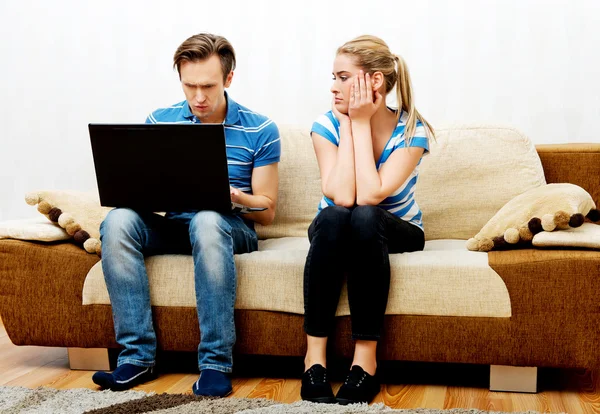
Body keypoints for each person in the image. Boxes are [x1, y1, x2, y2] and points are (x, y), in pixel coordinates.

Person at [92, 33, 281, 397]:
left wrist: (234, 196)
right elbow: (144, 194)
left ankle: (215, 363)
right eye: (189, 86)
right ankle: (136, 357)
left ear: (228, 79)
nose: (198, 97)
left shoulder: (260, 129)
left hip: (228, 228)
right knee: (117, 220)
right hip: (176, 225)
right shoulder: (158, 120)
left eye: (208, 86)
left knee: (207, 219)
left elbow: (267, 210)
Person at [301, 35, 434, 405]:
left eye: (343, 77)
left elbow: (371, 195)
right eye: (333, 76)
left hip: (396, 228)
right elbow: (342, 196)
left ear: (374, 82)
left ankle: (365, 363)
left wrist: (360, 124)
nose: (333, 86)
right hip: (336, 226)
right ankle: (314, 362)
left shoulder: (411, 129)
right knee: (334, 217)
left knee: (365, 216)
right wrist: (348, 126)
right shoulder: (325, 125)